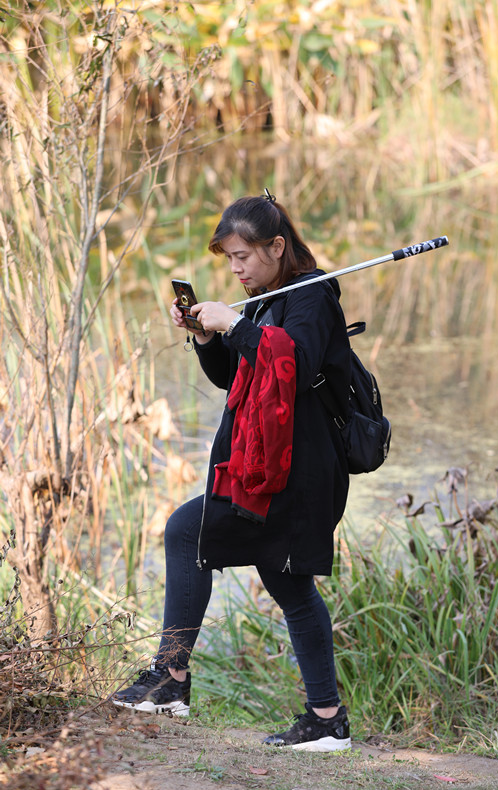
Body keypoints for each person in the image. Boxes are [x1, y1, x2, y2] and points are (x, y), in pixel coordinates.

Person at [112, 192, 352, 752]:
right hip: (273, 469)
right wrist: (206, 334)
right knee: (287, 581)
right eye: (228, 259)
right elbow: (238, 375)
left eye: (243, 256)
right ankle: (326, 720)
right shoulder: (270, 297)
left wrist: (235, 324)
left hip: (301, 472)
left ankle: (171, 678)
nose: (236, 268)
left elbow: (290, 365)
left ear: (277, 246)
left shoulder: (311, 295)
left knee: (188, 532)